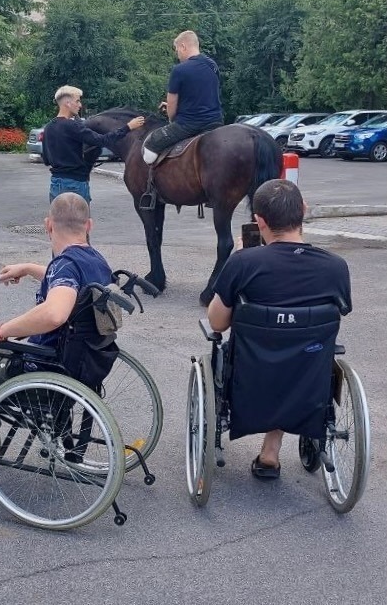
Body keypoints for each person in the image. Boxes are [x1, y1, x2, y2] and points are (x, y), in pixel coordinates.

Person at [0, 193, 116, 463]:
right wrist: (30, 268)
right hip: (81, 361)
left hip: (41, 366)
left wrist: (2, 330)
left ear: (48, 225)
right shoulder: (95, 261)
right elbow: (71, 284)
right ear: (88, 226)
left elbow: (55, 312)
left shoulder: (65, 266)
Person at [206, 179, 352, 480]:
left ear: (259, 221)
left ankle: (270, 449)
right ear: (304, 210)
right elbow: (335, 317)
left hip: (250, 377)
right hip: (307, 378)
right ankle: (271, 450)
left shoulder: (244, 263)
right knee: (298, 356)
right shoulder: (335, 267)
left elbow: (218, 323)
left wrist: (238, 256)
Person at [41, 85, 144, 203]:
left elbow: (46, 159)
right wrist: (128, 127)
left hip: (56, 184)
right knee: (80, 220)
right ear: (68, 103)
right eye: (78, 101)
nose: (80, 105)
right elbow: (103, 140)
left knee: (59, 220)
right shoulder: (73, 126)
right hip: (75, 184)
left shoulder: (48, 127)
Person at [142, 30, 224, 164]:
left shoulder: (179, 70)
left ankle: (152, 184)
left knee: (150, 147)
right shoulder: (213, 65)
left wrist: (171, 118)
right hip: (215, 122)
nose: (177, 54)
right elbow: (202, 97)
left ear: (183, 46)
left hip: (189, 125)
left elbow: (172, 105)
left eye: (177, 50)